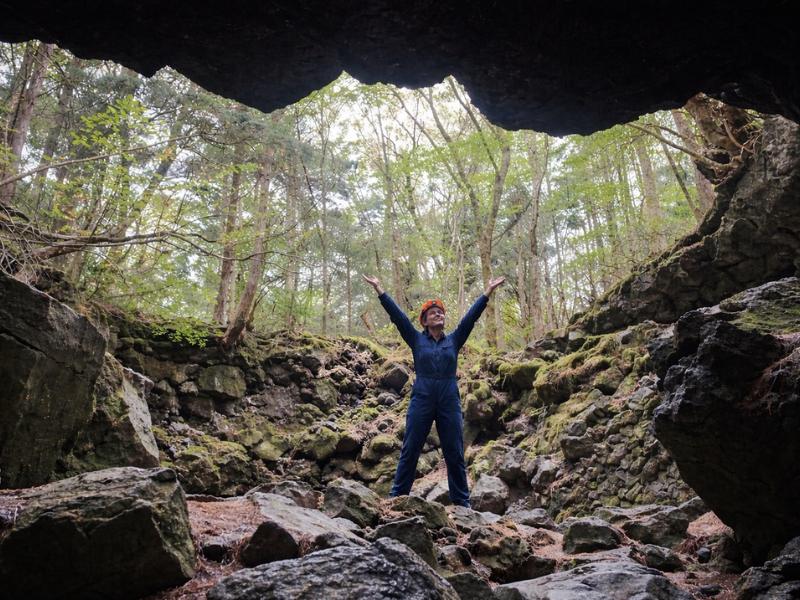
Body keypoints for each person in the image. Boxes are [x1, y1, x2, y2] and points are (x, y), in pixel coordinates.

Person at [362, 274, 505, 508]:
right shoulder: (417, 340)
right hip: (423, 395)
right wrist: (381, 291)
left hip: (449, 396)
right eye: (433, 313)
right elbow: (398, 318)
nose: (439, 314)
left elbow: (471, 318)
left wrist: (487, 292)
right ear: (425, 321)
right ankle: (398, 497)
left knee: (455, 451)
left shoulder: (454, 340)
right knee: (411, 446)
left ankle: (462, 503)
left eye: (441, 312)